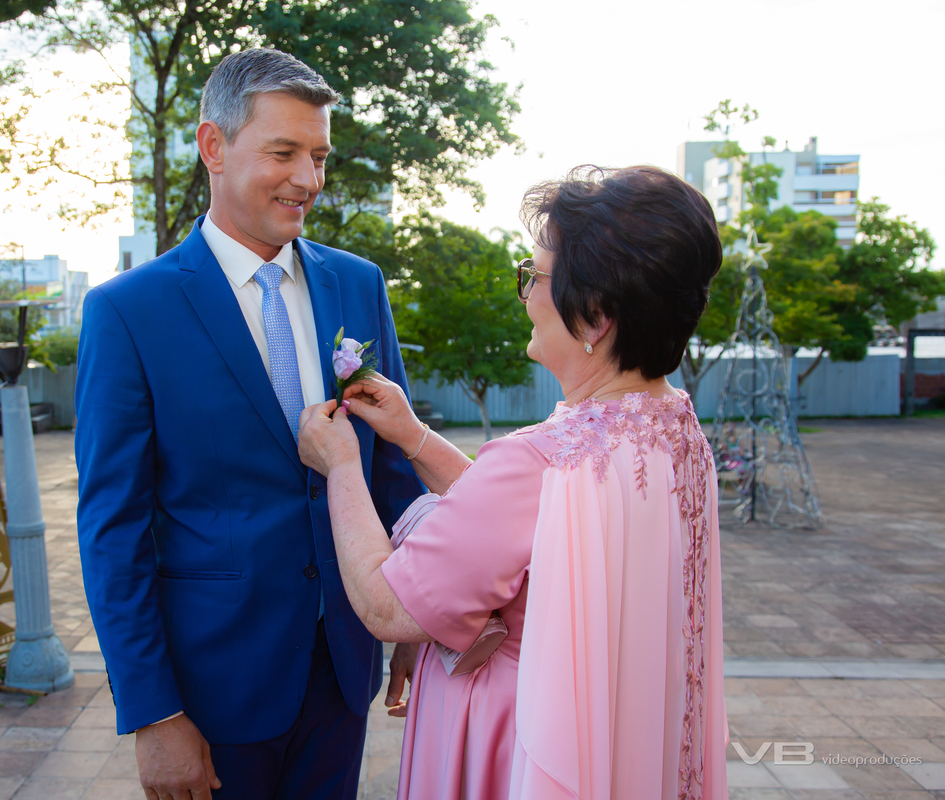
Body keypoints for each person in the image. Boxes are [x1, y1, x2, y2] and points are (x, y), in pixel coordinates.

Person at [298, 165, 729, 799]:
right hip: (620, 730)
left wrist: (339, 466)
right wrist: (413, 436)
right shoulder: (676, 432)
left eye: (533, 276)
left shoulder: (538, 460)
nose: (524, 294)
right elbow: (533, 526)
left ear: (595, 316)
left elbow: (389, 605)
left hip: (515, 732)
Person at [74, 49, 424, 800]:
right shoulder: (128, 313)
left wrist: (408, 617)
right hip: (211, 689)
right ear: (213, 146)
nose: (309, 178)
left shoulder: (358, 284)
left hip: (343, 668)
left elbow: (391, 467)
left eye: (320, 155)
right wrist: (153, 711)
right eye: (284, 152)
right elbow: (114, 528)